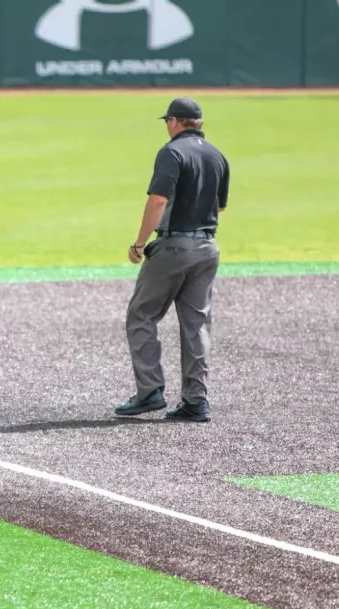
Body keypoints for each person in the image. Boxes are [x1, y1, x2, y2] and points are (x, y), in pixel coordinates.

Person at [114, 97, 230, 423]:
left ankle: (150, 391)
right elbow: (219, 206)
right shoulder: (218, 156)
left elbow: (158, 199)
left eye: (168, 121)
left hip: (173, 248)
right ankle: (196, 401)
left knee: (142, 314)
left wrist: (139, 243)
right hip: (208, 249)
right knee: (196, 325)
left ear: (175, 122)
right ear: (200, 124)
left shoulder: (171, 152)